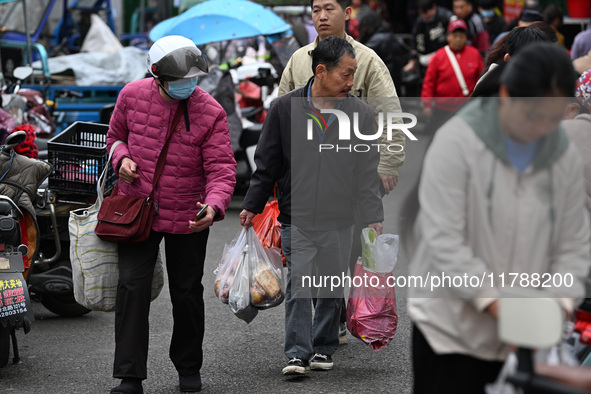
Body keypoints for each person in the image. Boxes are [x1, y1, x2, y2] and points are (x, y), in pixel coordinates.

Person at [407, 42, 591, 393]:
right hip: (450, 333)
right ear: (506, 95)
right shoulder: (457, 144)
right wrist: (503, 308)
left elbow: (572, 244)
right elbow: (445, 242)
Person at [240, 36, 384, 375]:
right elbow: (267, 163)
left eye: (353, 75)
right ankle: (296, 353)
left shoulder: (360, 114)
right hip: (297, 216)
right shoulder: (284, 109)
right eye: (345, 75)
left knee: (332, 285)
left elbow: (366, 172)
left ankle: (323, 346)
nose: (351, 83)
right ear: (321, 71)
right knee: (300, 285)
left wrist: (374, 216)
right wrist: (252, 204)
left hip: (340, 218)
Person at [106, 35, 237, 394]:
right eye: (180, 80)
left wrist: (214, 205)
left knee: (187, 293)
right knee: (132, 288)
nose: (188, 85)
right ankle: (130, 376)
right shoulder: (131, 96)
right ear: (156, 74)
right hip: (137, 209)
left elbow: (222, 169)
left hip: (189, 214)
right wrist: (123, 159)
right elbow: (114, 137)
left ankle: (188, 368)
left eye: (193, 79)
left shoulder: (210, 111)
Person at [278, 0, 404, 344]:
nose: (321, 16)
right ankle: (320, 323)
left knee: (344, 254)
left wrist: (388, 163)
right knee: (307, 254)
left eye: (329, 8)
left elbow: (389, 115)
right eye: (316, 9)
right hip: (305, 180)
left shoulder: (367, 62)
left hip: (351, 177)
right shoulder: (298, 60)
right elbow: (280, 118)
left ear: (347, 13)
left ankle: (328, 319)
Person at [421, 19, 483, 121]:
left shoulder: (475, 54)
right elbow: (429, 82)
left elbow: (480, 80)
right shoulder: (439, 56)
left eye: (461, 36)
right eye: (455, 36)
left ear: (466, 38)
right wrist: (427, 104)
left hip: (467, 108)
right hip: (442, 109)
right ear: (448, 37)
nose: (458, 39)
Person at [358, 11, 403, 95]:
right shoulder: (390, 36)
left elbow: (359, 55)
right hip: (393, 83)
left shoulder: (377, 40)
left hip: (382, 85)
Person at [406, 0, 454, 70]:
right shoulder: (420, 21)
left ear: (434, 7)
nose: (424, 16)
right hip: (427, 60)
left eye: (425, 12)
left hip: (447, 57)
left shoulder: (446, 16)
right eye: (421, 13)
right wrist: (412, 60)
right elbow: (414, 40)